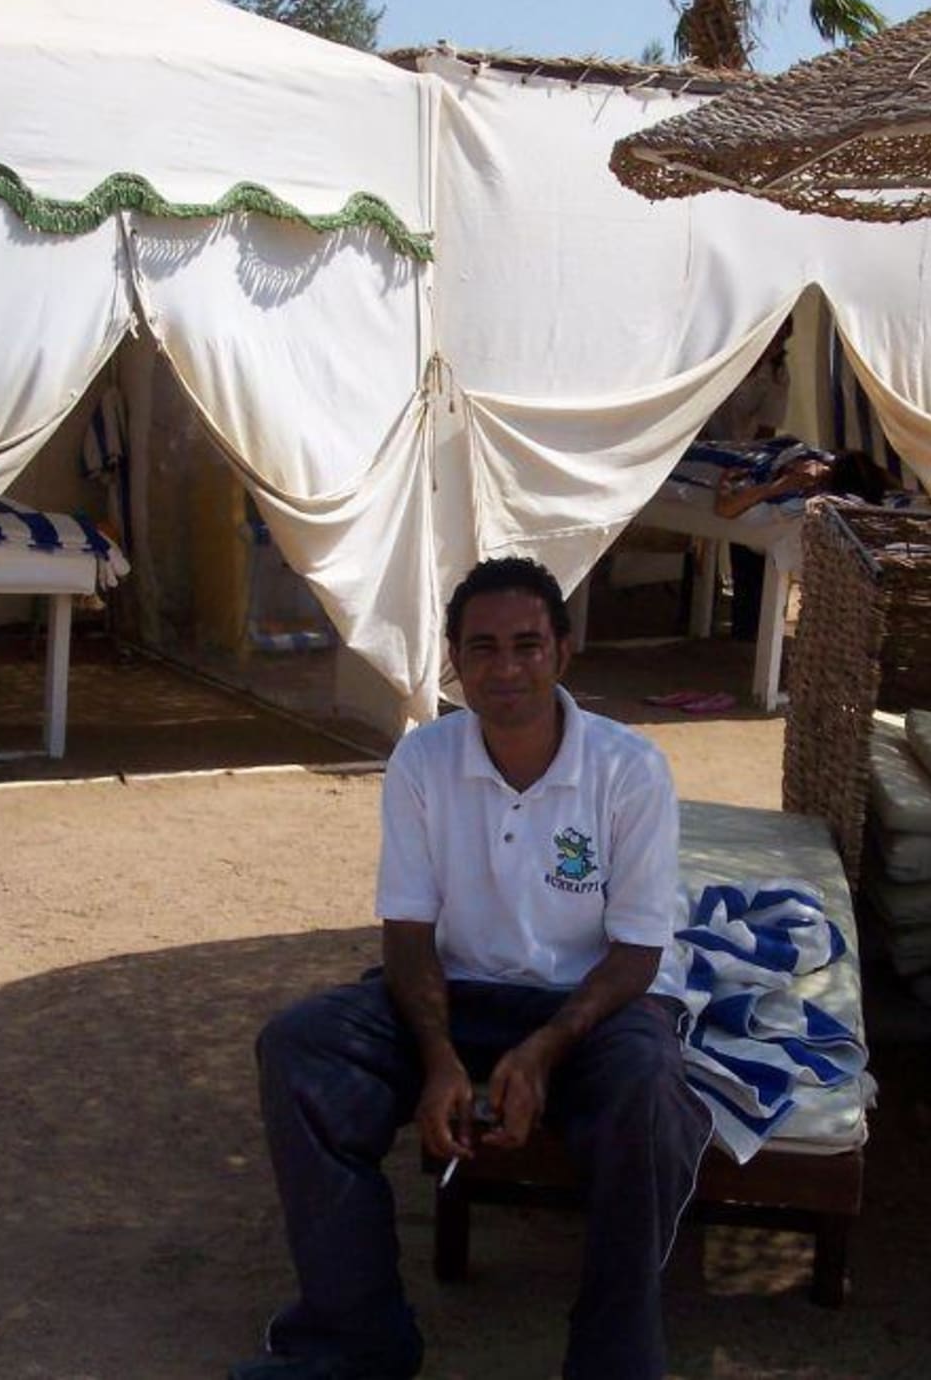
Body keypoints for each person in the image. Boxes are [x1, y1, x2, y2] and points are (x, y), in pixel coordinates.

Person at [233, 557, 711, 1380]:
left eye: (528, 645)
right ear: (455, 660)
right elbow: (408, 932)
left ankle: (614, 1361)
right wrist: (440, 1057)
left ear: (563, 652)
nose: (506, 668)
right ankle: (357, 1341)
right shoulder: (423, 761)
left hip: (592, 1004)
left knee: (650, 1096)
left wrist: (545, 1049)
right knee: (301, 1049)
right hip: (458, 994)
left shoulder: (629, 769)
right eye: (482, 648)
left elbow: (638, 953)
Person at [702, 321, 793, 638]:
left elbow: (767, 431)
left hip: (743, 455)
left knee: (749, 533)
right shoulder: (724, 356)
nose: (775, 345)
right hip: (705, 447)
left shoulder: (777, 375)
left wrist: (749, 463)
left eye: (780, 339)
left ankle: (748, 622)